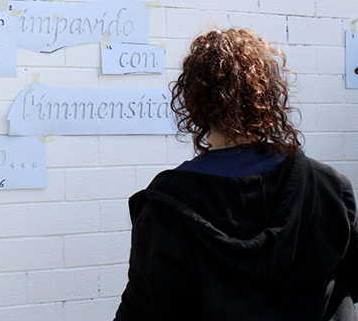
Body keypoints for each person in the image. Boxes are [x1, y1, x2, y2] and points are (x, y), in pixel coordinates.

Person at [114, 29, 358, 320]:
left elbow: (146, 310)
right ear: (267, 97)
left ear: (194, 102)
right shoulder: (327, 187)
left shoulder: (167, 206)